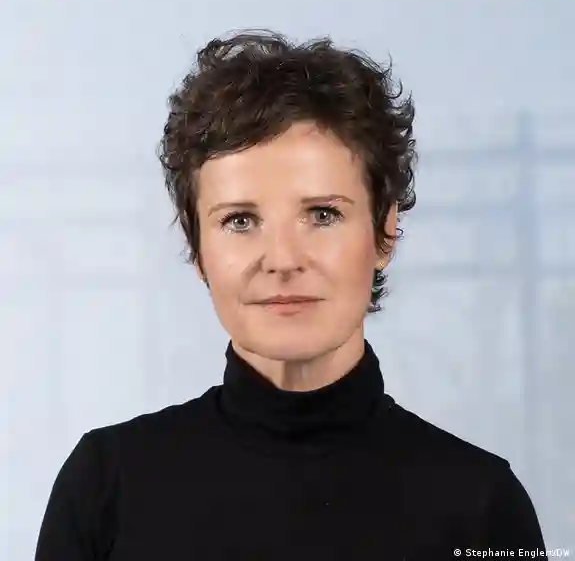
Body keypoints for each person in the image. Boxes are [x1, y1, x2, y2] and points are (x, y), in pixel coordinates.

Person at [35, 29, 548, 560]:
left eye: (322, 214)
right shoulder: (105, 487)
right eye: (240, 220)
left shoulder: (484, 507)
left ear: (385, 231)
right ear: (196, 247)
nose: (282, 259)